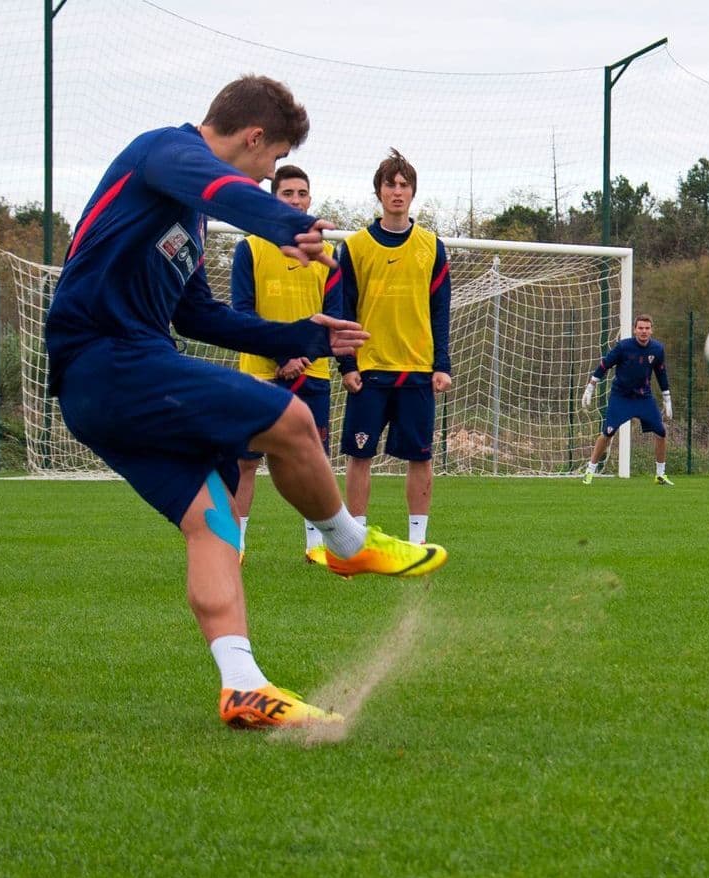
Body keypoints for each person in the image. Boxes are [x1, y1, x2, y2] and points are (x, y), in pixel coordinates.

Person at [43, 76, 446, 730]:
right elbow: (221, 186)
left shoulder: (188, 220)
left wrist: (302, 337)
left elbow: (199, 316)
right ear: (255, 137)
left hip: (106, 389)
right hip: (108, 361)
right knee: (291, 419)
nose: (267, 176)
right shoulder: (162, 153)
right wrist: (287, 224)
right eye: (273, 161)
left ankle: (242, 685)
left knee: (213, 522)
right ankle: (346, 541)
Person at [336, 149, 453, 544]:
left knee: (421, 457)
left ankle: (417, 542)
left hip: (417, 369)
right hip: (369, 370)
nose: (397, 191)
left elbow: (440, 311)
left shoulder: (431, 246)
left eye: (404, 185)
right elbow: (343, 309)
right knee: (359, 456)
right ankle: (356, 540)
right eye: (391, 185)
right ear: (379, 192)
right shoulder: (354, 247)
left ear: (413, 192)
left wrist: (442, 364)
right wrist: (347, 364)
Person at [229, 165, 337, 560]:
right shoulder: (250, 248)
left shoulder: (327, 255)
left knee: (314, 463)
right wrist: (282, 355)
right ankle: (237, 545)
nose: (295, 200)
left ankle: (316, 545)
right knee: (245, 462)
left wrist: (302, 356)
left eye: (301, 193)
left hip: (313, 372)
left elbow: (334, 316)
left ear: (310, 199)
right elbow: (242, 312)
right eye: (287, 193)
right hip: (259, 373)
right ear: (273, 198)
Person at [581, 314, 673, 484]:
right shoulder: (623, 347)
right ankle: (589, 471)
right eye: (640, 328)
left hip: (643, 398)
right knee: (608, 432)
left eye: (647, 328)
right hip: (621, 397)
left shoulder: (657, 349)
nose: (644, 331)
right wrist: (591, 386)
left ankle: (660, 474)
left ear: (651, 330)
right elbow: (605, 365)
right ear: (634, 330)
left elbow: (661, 373)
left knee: (661, 432)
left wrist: (667, 398)